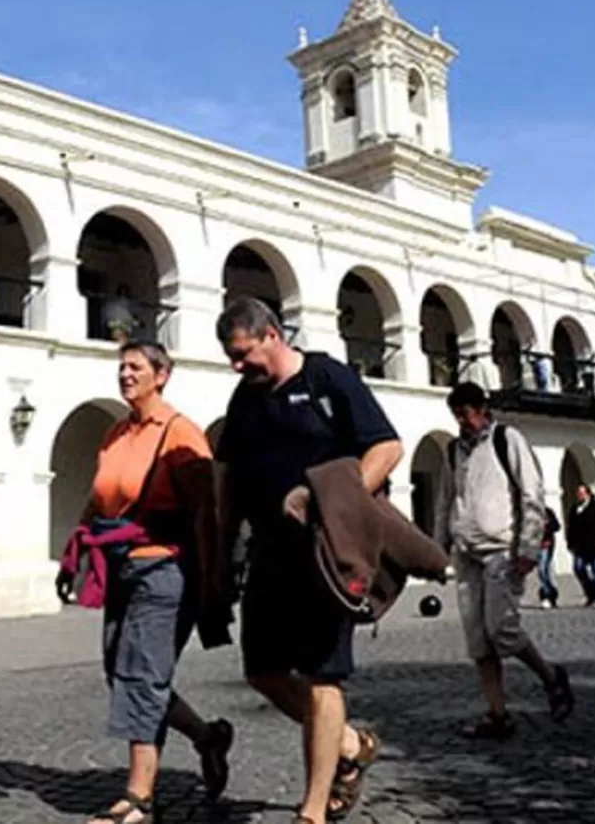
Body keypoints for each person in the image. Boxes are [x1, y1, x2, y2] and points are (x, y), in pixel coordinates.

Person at [214, 297, 398, 824]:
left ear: (272, 335)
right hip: (269, 555)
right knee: (264, 673)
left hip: (327, 556)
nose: (236, 365)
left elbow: (386, 449)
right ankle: (349, 744)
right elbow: (228, 480)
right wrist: (223, 552)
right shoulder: (245, 398)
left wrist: (331, 500)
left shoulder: (328, 379)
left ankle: (312, 810)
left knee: (322, 678)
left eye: (242, 353)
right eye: (231, 356)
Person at [59, 341, 235, 824]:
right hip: (119, 566)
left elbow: (205, 511)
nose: (125, 374)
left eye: (135, 367)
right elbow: (100, 502)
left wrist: (212, 576)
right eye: (121, 367)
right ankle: (207, 737)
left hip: (165, 569)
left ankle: (138, 798)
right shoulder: (116, 433)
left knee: (141, 675)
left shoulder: (182, 434)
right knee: (119, 671)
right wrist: (71, 556)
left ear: (162, 375)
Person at [436, 382, 574, 741]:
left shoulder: (506, 440)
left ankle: (549, 676)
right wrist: (438, 549)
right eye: (457, 415)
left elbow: (532, 493)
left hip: (502, 549)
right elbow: (445, 500)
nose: (462, 422)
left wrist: (528, 546)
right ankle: (497, 715)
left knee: (502, 630)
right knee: (478, 640)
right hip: (466, 554)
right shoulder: (453, 451)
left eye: (466, 414)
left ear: (482, 409)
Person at [567, 485, 595, 608]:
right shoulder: (575, 509)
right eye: (578, 493)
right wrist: (570, 543)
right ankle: (590, 593)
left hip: (594, 545)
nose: (579, 495)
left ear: (588, 494)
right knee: (578, 568)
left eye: (582, 493)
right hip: (579, 546)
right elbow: (571, 528)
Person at [536, 506, 562, 609]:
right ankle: (551, 592)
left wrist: (546, 526)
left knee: (543, 569)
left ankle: (547, 596)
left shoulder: (547, 511)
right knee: (543, 571)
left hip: (546, 544)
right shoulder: (529, 511)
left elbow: (556, 526)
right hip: (534, 545)